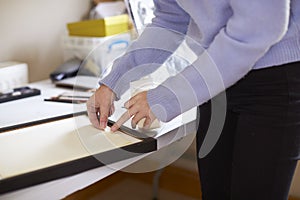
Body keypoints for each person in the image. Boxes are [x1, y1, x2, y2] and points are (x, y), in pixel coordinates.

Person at [86, 0, 300, 199]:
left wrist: (168, 96)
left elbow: (261, 26)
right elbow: (170, 19)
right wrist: (112, 82)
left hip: (275, 78)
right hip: (216, 76)